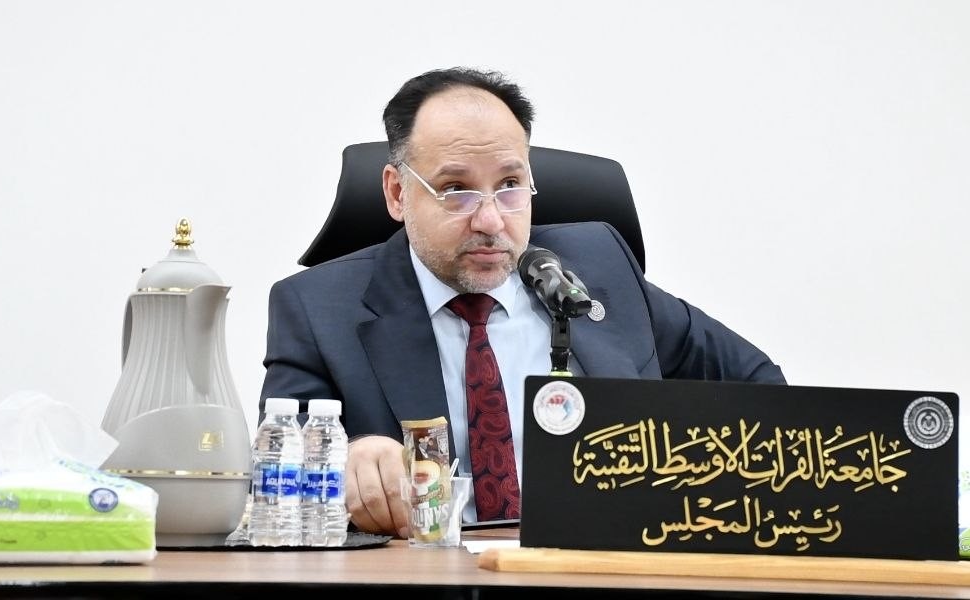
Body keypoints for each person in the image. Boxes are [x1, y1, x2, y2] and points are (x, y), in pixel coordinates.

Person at [259, 66, 786, 539]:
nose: (491, 220)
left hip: (604, 574)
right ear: (398, 193)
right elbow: (278, 475)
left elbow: (759, 387)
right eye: (456, 189)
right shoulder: (316, 309)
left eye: (510, 185)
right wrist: (344, 459)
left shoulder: (598, 268)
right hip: (428, 582)